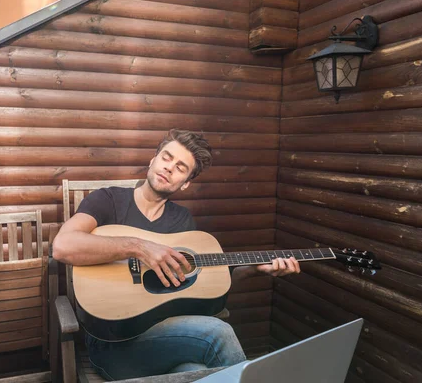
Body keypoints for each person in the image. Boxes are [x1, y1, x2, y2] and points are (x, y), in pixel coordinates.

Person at [52, 129, 300, 380]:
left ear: (185, 183)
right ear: (153, 160)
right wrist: (139, 247)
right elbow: (63, 246)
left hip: (167, 339)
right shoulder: (108, 200)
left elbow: (199, 289)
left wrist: (255, 269)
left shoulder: (181, 222)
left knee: (200, 374)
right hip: (113, 344)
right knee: (218, 332)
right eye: (167, 157)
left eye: (181, 168)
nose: (169, 168)